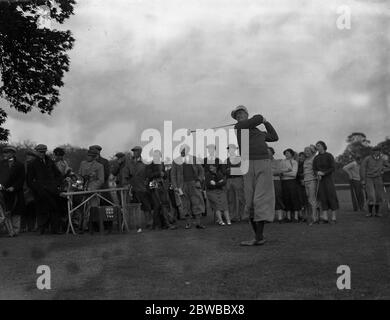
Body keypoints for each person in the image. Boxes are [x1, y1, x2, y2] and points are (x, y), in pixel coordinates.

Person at [232, 105, 278, 246]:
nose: (239, 116)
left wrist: (266, 122)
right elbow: (257, 118)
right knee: (250, 202)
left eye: (241, 113)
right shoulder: (239, 127)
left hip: (262, 162)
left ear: (246, 114)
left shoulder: (258, 132)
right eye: (236, 115)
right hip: (247, 164)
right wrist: (261, 118)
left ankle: (258, 237)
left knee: (260, 199)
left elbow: (274, 137)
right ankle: (258, 237)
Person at [27, 144, 63, 234]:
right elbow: (29, 181)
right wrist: (38, 189)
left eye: (43, 152)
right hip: (40, 191)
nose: (42, 154)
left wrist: (56, 184)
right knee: (41, 210)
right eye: (40, 152)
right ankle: (41, 229)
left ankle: (55, 229)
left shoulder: (50, 161)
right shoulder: (32, 164)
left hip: (52, 190)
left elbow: (58, 175)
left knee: (55, 209)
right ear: (36, 152)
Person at [171, 144, 206, 229]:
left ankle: (199, 223)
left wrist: (199, 180)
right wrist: (175, 187)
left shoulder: (194, 158)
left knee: (197, 202)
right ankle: (188, 223)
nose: (182, 151)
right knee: (185, 204)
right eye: (181, 150)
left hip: (193, 184)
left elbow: (201, 171)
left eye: (184, 150)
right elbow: (173, 175)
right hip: (182, 186)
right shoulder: (176, 161)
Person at [122, 146, 153, 232]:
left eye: (136, 151)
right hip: (133, 189)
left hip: (142, 188)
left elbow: (149, 174)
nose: (134, 153)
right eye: (133, 151)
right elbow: (125, 174)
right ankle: (135, 224)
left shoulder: (144, 163)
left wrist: (147, 182)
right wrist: (126, 184)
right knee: (134, 207)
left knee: (146, 206)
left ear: (140, 152)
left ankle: (149, 223)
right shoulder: (129, 163)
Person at [146, 150, 177, 230]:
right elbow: (149, 175)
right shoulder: (150, 165)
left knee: (164, 204)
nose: (157, 157)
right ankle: (159, 224)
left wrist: (164, 174)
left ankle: (161, 224)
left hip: (161, 185)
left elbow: (165, 175)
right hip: (153, 184)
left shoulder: (161, 164)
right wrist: (159, 174)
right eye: (155, 155)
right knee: (157, 205)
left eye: (158, 156)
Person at [0, 145, 25, 236]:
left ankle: (15, 230)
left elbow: (21, 179)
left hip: (16, 192)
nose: (6, 154)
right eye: (5, 152)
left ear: (13, 153)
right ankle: (8, 230)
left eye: (8, 152)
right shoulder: (1, 164)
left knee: (16, 211)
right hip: (3, 192)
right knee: (6, 211)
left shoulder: (20, 165)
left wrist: (14, 187)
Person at [78, 148, 105, 231]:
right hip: (83, 189)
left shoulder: (99, 166)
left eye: (90, 156)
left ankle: (92, 226)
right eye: (87, 155)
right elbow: (79, 175)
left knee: (93, 208)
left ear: (94, 157)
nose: (88, 157)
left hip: (93, 190)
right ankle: (82, 226)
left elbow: (101, 180)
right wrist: (81, 183)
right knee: (82, 208)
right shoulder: (82, 163)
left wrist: (92, 187)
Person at [313, 141, 339, 223]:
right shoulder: (316, 158)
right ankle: (325, 218)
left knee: (331, 196)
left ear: (323, 146)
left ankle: (334, 218)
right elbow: (314, 168)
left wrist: (324, 173)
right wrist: (317, 173)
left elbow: (333, 167)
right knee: (323, 197)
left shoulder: (329, 155)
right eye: (316, 146)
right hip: (320, 180)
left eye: (319, 145)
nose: (317, 147)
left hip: (328, 179)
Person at [360, 147, 390, 217]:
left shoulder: (382, 159)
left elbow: (388, 166)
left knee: (378, 196)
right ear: (373, 152)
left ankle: (377, 213)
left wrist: (383, 169)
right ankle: (369, 213)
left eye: (378, 151)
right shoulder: (367, 159)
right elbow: (362, 168)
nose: (377, 152)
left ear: (380, 151)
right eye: (375, 151)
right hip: (369, 178)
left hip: (378, 178)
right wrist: (363, 180)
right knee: (371, 196)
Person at [225, 144, 246, 222]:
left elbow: (242, 170)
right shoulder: (226, 160)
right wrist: (234, 170)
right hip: (229, 180)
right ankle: (232, 216)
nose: (230, 150)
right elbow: (224, 171)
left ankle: (242, 215)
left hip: (238, 179)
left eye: (232, 149)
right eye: (229, 149)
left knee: (241, 198)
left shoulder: (239, 159)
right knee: (230, 199)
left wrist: (230, 170)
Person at [280, 149, 300, 222]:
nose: (286, 154)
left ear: (292, 154)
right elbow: (279, 172)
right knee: (286, 199)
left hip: (292, 182)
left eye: (288, 153)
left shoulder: (294, 162)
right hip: (284, 182)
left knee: (294, 198)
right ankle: (288, 217)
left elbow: (294, 174)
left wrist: (284, 173)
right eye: (285, 153)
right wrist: (287, 171)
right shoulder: (282, 162)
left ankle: (296, 217)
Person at [268, 147, 285, 223]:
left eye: (269, 151)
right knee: (267, 199)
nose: (268, 153)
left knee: (277, 197)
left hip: (276, 181)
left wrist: (268, 172)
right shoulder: (263, 162)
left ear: (272, 153)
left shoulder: (277, 162)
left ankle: (280, 217)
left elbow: (279, 171)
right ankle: (269, 218)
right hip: (266, 182)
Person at [303, 146, 319, 225]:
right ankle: (312, 216)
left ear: (312, 151)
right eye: (305, 151)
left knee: (312, 199)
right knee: (309, 199)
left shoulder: (314, 159)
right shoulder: (305, 160)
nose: (306, 152)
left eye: (308, 151)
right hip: (306, 180)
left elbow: (316, 169)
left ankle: (314, 218)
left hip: (312, 180)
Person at [297, 152, 308, 221]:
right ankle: (300, 216)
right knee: (300, 200)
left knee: (305, 200)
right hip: (298, 184)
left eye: (303, 156)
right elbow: (297, 173)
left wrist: (303, 179)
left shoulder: (306, 164)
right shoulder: (297, 164)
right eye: (300, 156)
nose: (301, 157)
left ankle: (305, 216)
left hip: (306, 183)